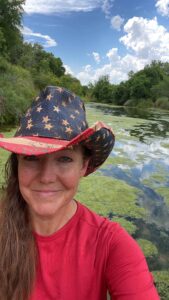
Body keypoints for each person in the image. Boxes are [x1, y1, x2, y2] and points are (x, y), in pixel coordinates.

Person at [0, 86, 160, 300]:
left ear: (83, 166)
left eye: (64, 159)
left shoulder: (112, 245)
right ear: (17, 164)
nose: (46, 177)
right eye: (31, 158)